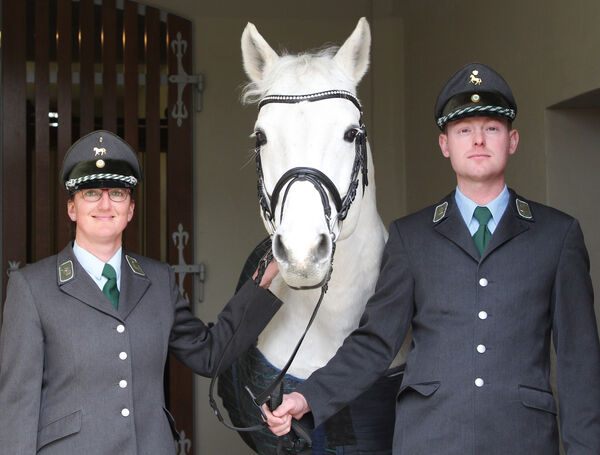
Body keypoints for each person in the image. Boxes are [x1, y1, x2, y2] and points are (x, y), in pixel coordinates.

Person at [264, 63, 600, 454]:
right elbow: (376, 342)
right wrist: (308, 398)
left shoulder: (557, 235)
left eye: (491, 127)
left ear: (512, 140)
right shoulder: (412, 237)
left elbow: (580, 362)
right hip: (429, 439)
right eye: (463, 130)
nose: (477, 140)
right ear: (445, 145)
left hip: (521, 438)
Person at [0, 130, 281, 454]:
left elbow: (209, 354)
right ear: (71, 208)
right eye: (91, 193)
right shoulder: (32, 288)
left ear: (130, 209)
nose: (105, 204)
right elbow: (17, 405)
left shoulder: (158, 280)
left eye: (117, 193)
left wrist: (262, 279)